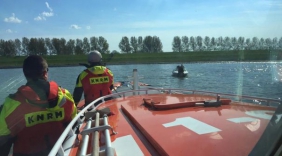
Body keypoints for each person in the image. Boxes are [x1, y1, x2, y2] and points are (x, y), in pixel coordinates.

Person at [0, 55, 77, 156]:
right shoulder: (65, 95)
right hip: (61, 152)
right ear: (45, 73)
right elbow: (74, 124)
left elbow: (3, 142)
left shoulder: (11, 104)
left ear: (26, 75)